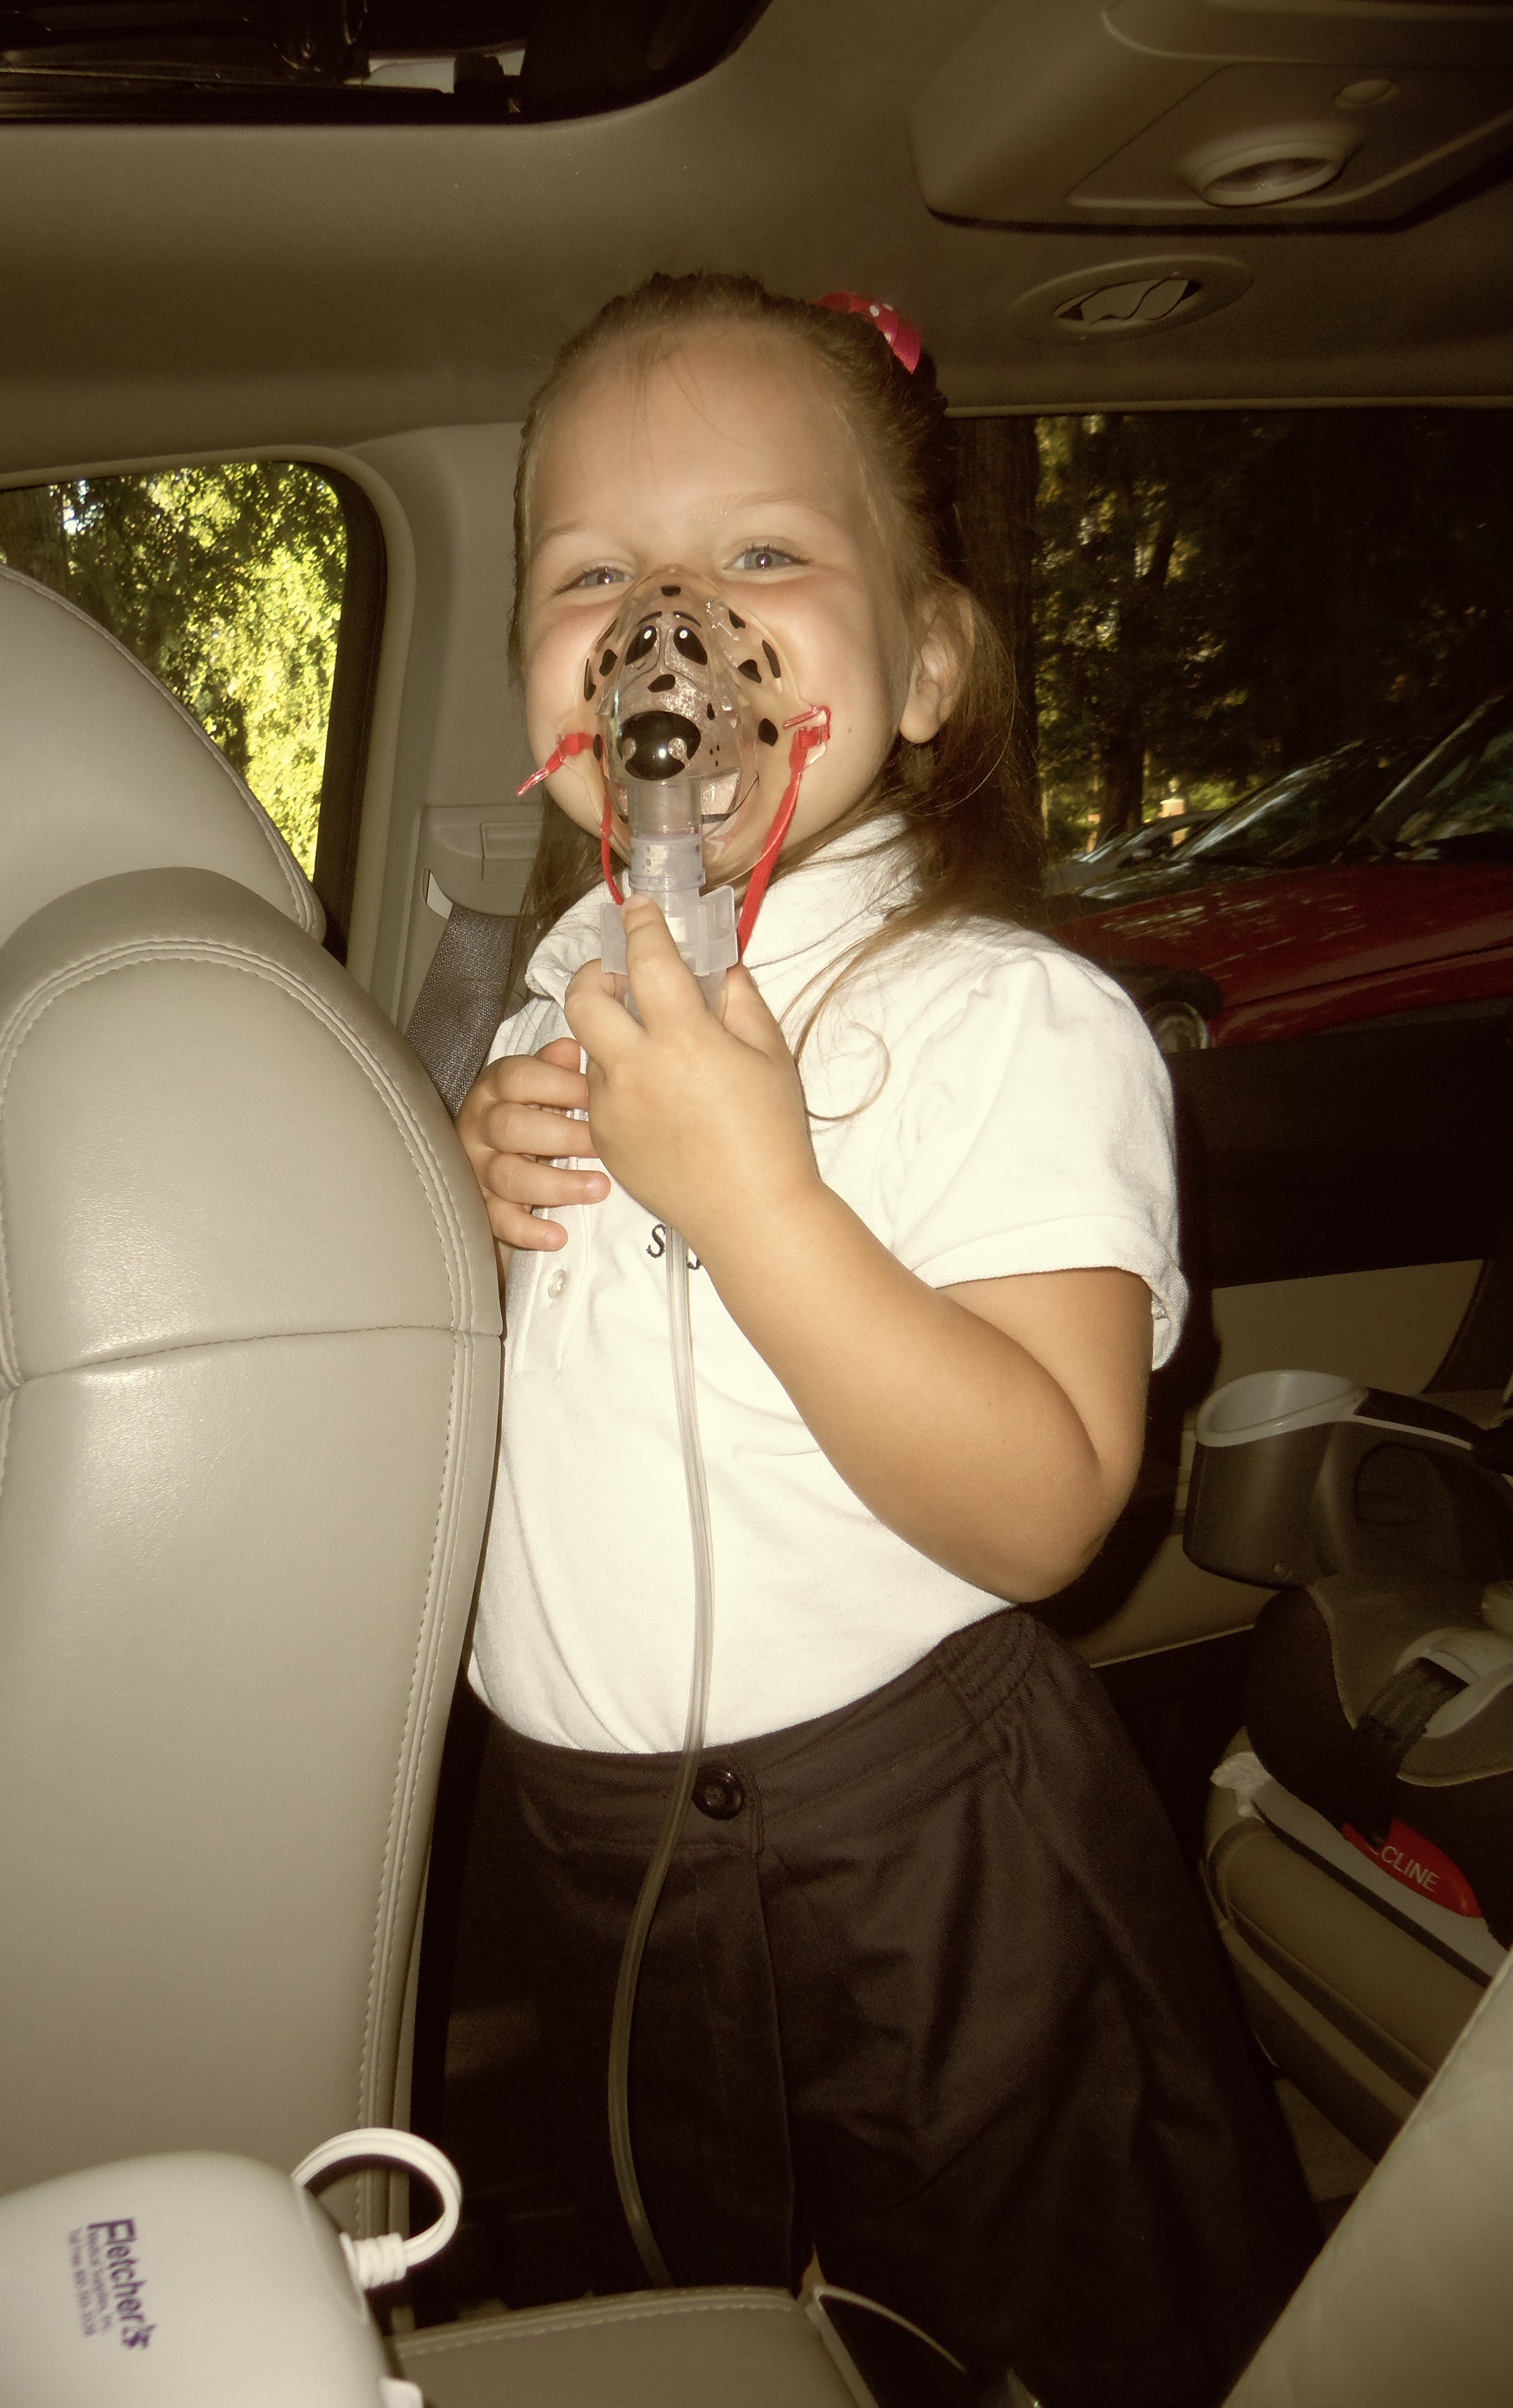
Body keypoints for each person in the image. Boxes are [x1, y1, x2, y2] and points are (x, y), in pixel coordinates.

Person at [453, 271, 1314, 2408]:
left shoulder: (1002, 1019)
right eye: (595, 576)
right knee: (722, 2324)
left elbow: (1047, 1503)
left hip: (922, 1854)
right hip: (594, 1856)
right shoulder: (562, 986)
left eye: (763, 554)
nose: (673, 628)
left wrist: (758, 1199)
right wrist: (473, 1192)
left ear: (926, 666)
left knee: (1032, 2326)